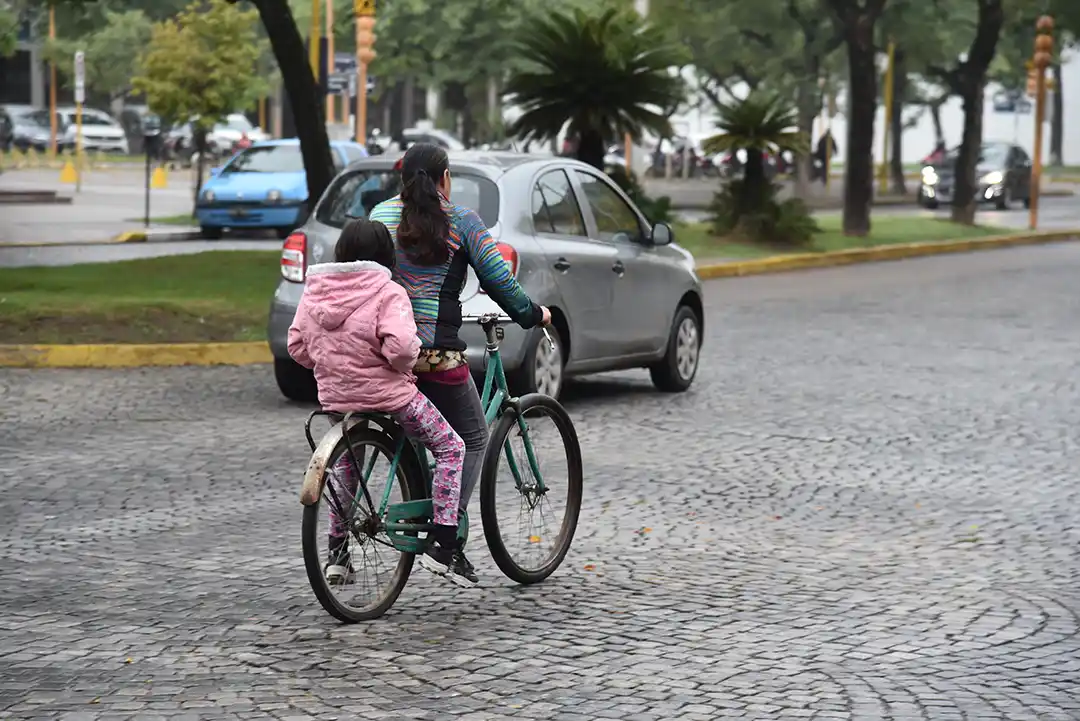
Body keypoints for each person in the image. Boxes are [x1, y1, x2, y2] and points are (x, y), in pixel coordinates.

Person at [369, 142, 551, 585]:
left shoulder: (378, 216)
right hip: (435, 355)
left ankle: (342, 545)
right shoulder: (462, 221)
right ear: (445, 178)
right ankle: (444, 539)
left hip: (385, 352)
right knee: (471, 437)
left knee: (410, 431)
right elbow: (499, 282)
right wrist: (533, 314)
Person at [287, 218, 471, 587]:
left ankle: (337, 554)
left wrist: (330, 363)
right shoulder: (387, 292)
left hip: (337, 400)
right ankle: (444, 542)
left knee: (347, 467)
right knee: (452, 447)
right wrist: (399, 360)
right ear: (385, 254)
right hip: (390, 396)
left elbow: (297, 347)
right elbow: (402, 349)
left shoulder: (315, 292)